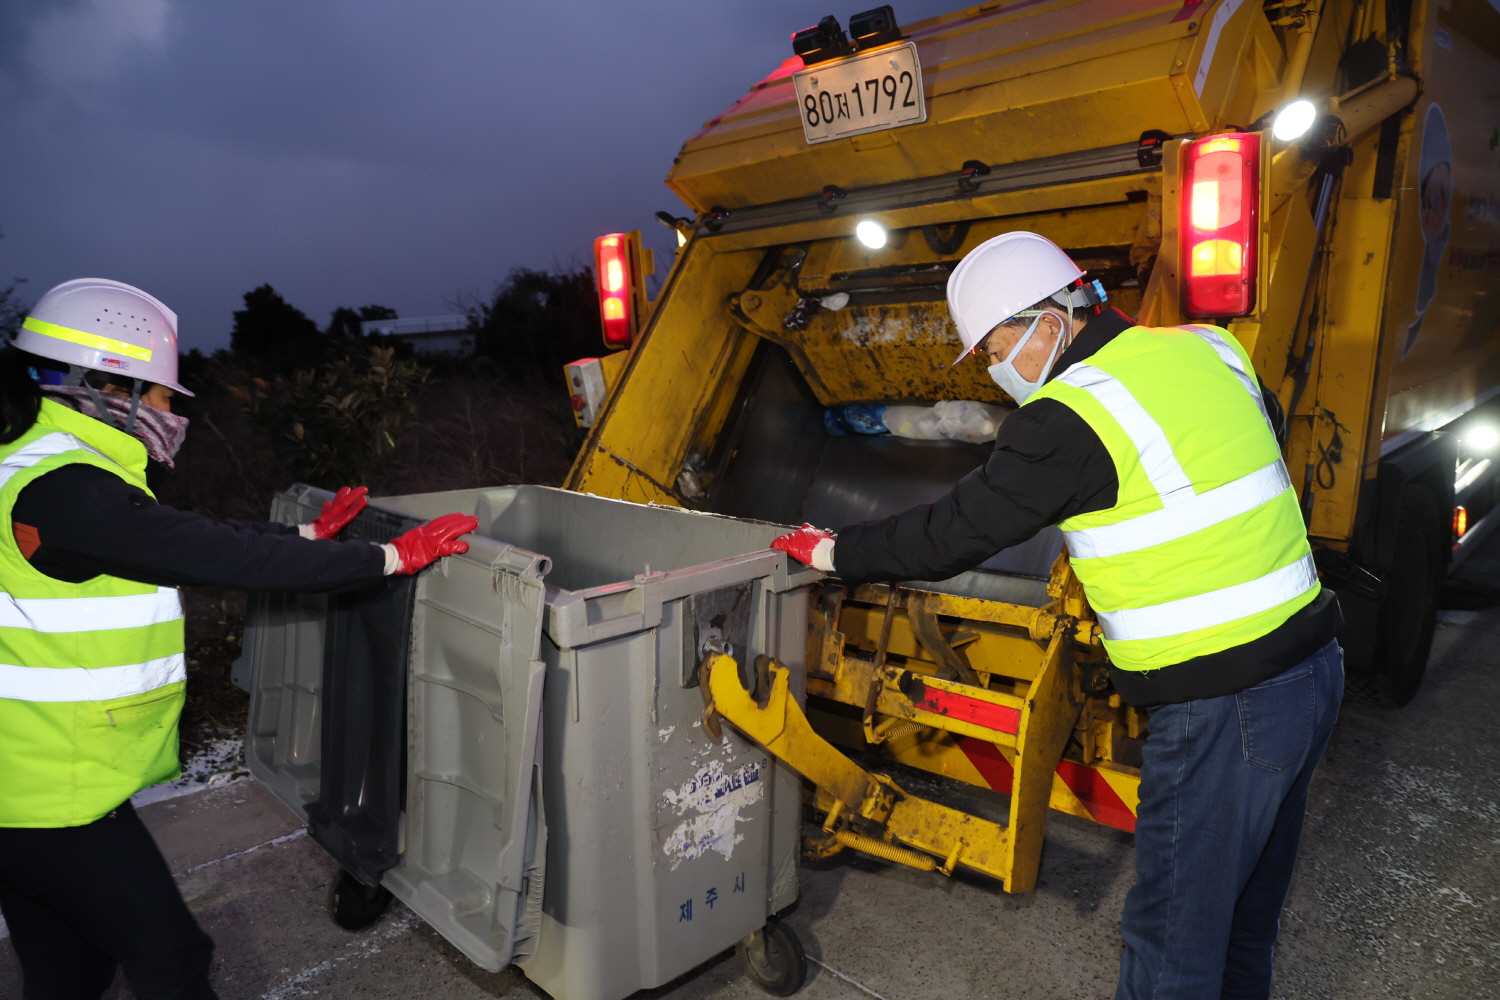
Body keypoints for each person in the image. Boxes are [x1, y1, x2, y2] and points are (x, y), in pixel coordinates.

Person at [770, 232, 1344, 1000]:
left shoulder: (1068, 415)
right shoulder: (1211, 348)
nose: (991, 367)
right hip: (1309, 676)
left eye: (994, 343)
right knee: (1241, 922)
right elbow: (1247, 446)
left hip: (1223, 707)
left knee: (1173, 941)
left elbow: (953, 533)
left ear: (1051, 319)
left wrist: (835, 554)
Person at [0, 278, 477, 1000]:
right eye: (163, 396)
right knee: (172, 958)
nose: (173, 413)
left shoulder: (44, 470)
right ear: (105, 388)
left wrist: (307, 534)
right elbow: (217, 556)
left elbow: (181, 537)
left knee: (71, 969)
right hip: (47, 798)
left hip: (30, 783)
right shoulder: (65, 488)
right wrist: (385, 558)